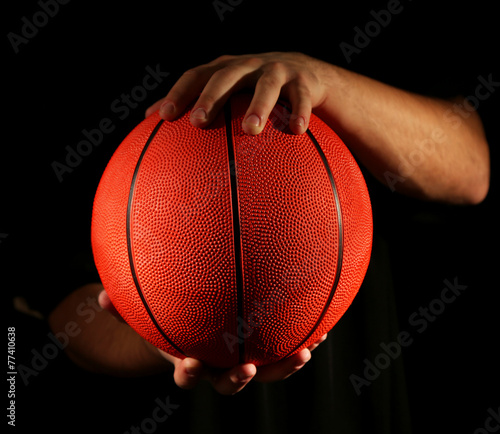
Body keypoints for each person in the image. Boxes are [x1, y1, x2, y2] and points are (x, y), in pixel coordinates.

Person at [48, 51, 490, 399]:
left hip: (364, 361)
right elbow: (57, 309)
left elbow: (471, 166)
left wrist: (328, 83)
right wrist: (162, 334)